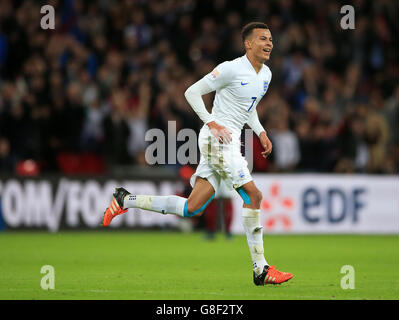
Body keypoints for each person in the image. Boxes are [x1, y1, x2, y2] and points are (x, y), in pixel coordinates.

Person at [101, 22, 293, 286]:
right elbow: (191, 92)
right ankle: (261, 269)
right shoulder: (230, 69)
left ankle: (125, 200)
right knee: (254, 195)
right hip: (217, 139)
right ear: (248, 44)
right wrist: (211, 122)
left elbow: (248, 107)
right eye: (263, 38)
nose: (269, 43)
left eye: (271, 38)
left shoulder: (266, 75)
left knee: (192, 207)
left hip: (231, 140)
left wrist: (260, 132)